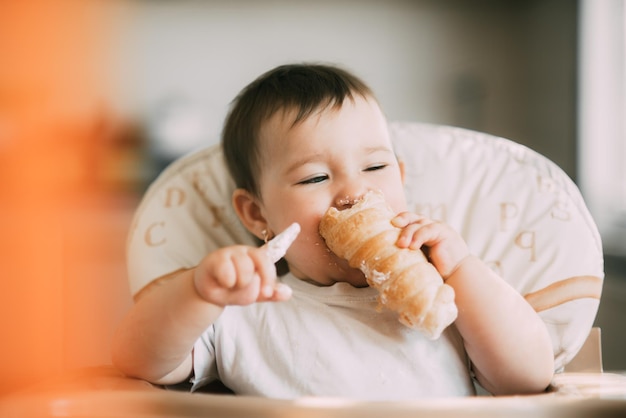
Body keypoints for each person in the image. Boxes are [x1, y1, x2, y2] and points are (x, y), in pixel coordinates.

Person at [112, 63, 554, 399]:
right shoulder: (244, 309)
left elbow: (528, 378)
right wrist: (198, 291)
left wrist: (461, 269)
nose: (353, 192)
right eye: (314, 178)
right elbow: (140, 362)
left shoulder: (449, 295)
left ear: (401, 178)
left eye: (376, 167)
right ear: (256, 214)